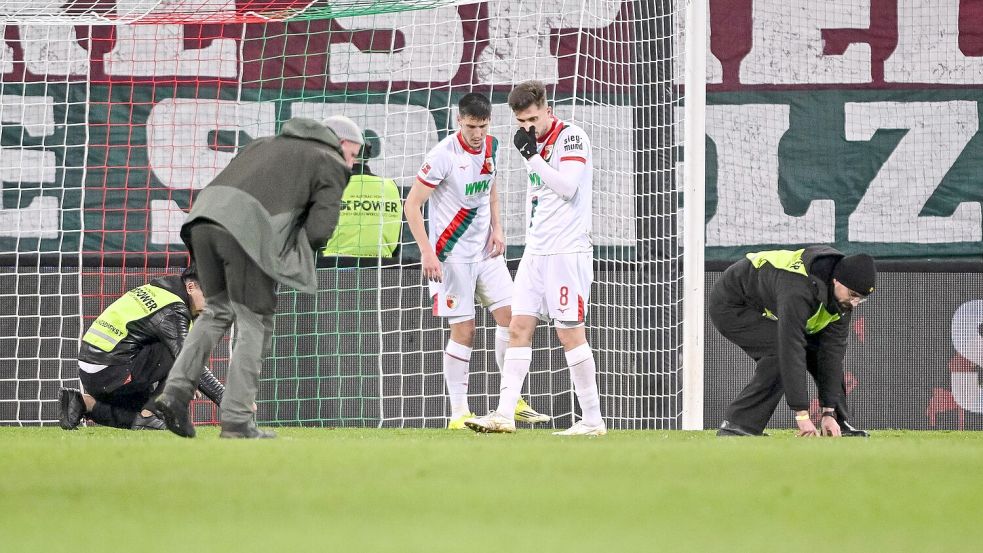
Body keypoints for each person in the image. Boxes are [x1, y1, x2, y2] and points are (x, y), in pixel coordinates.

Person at [154, 115, 355, 439]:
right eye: (355, 153)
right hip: (245, 233)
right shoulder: (330, 160)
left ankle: (174, 395)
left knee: (217, 311)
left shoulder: (265, 143)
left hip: (202, 221)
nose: (353, 161)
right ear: (342, 143)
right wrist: (287, 253)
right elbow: (320, 230)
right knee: (255, 322)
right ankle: (236, 421)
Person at [465, 81, 604, 436]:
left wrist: (532, 158)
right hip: (536, 251)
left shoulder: (571, 137)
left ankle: (591, 420)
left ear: (547, 109)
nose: (528, 126)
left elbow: (568, 187)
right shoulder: (535, 144)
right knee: (517, 327)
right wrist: (534, 153)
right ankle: (503, 415)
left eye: (533, 118)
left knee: (569, 333)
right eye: (521, 121)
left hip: (566, 252)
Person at [404, 92, 550, 429]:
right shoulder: (442, 156)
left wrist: (497, 227)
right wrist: (427, 251)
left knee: (513, 320)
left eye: (482, 126)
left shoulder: (492, 146)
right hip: (452, 255)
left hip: (486, 253)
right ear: (459, 121)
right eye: (471, 126)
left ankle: (511, 401)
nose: (477, 133)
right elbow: (412, 205)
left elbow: (491, 186)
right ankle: (458, 414)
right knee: (465, 331)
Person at [711, 247, 875, 437]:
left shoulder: (842, 302)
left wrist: (829, 412)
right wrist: (802, 415)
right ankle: (738, 426)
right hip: (732, 304)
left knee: (823, 351)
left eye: (861, 299)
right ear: (836, 281)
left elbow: (831, 355)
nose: (854, 303)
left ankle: (836, 423)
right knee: (780, 351)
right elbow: (791, 349)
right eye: (853, 295)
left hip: (771, 303)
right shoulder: (797, 290)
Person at [59, 266, 225, 431]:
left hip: (95, 371)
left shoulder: (158, 291)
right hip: (111, 372)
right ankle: (150, 414)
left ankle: (82, 403)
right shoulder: (173, 310)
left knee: (144, 415)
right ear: (191, 287)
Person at [322, 137, 402, 259]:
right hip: (381, 268)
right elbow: (397, 245)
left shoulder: (331, 185)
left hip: (333, 267)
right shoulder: (390, 186)